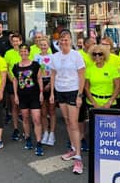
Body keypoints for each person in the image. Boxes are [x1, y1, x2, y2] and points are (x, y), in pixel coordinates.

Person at [49, 29, 85, 174]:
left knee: (74, 124)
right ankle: (73, 149)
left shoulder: (76, 56)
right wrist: (51, 93)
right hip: (60, 91)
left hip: (72, 91)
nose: (64, 41)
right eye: (62, 39)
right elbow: (53, 75)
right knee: (67, 121)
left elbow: (82, 76)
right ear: (59, 42)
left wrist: (79, 95)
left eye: (67, 39)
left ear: (71, 40)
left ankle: (78, 158)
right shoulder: (55, 56)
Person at [13, 44, 44, 156]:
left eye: (25, 51)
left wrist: (41, 93)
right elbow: (15, 81)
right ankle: (28, 138)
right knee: (25, 118)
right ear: (19, 53)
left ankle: (39, 142)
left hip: (34, 95)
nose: (23, 53)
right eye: (21, 51)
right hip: (22, 96)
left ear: (29, 52)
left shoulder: (35, 65)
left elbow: (39, 78)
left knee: (36, 119)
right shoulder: (16, 66)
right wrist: (16, 95)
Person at [34, 37, 56, 146]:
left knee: (51, 110)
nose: (43, 47)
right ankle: (45, 132)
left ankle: (52, 133)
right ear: (38, 45)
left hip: (50, 83)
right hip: (40, 84)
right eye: (41, 45)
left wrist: (50, 85)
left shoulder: (53, 57)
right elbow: (35, 74)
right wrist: (41, 88)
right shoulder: (36, 57)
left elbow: (54, 73)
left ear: (48, 46)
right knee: (43, 112)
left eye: (45, 45)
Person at [85, 44, 120, 109]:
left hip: (110, 104)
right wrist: (94, 103)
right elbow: (86, 88)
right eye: (94, 54)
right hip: (92, 104)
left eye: (100, 54)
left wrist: (109, 102)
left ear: (105, 55)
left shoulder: (112, 69)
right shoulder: (89, 70)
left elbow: (117, 87)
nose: (97, 56)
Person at [4, 33, 22, 141]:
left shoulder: (25, 51)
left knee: (24, 108)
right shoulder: (8, 53)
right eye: (13, 41)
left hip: (25, 82)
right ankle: (16, 129)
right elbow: (5, 68)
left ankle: (26, 128)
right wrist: (10, 78)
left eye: (17, 41)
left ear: (20, 41)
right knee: (14, 106)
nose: (15, 43)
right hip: (12, 82)